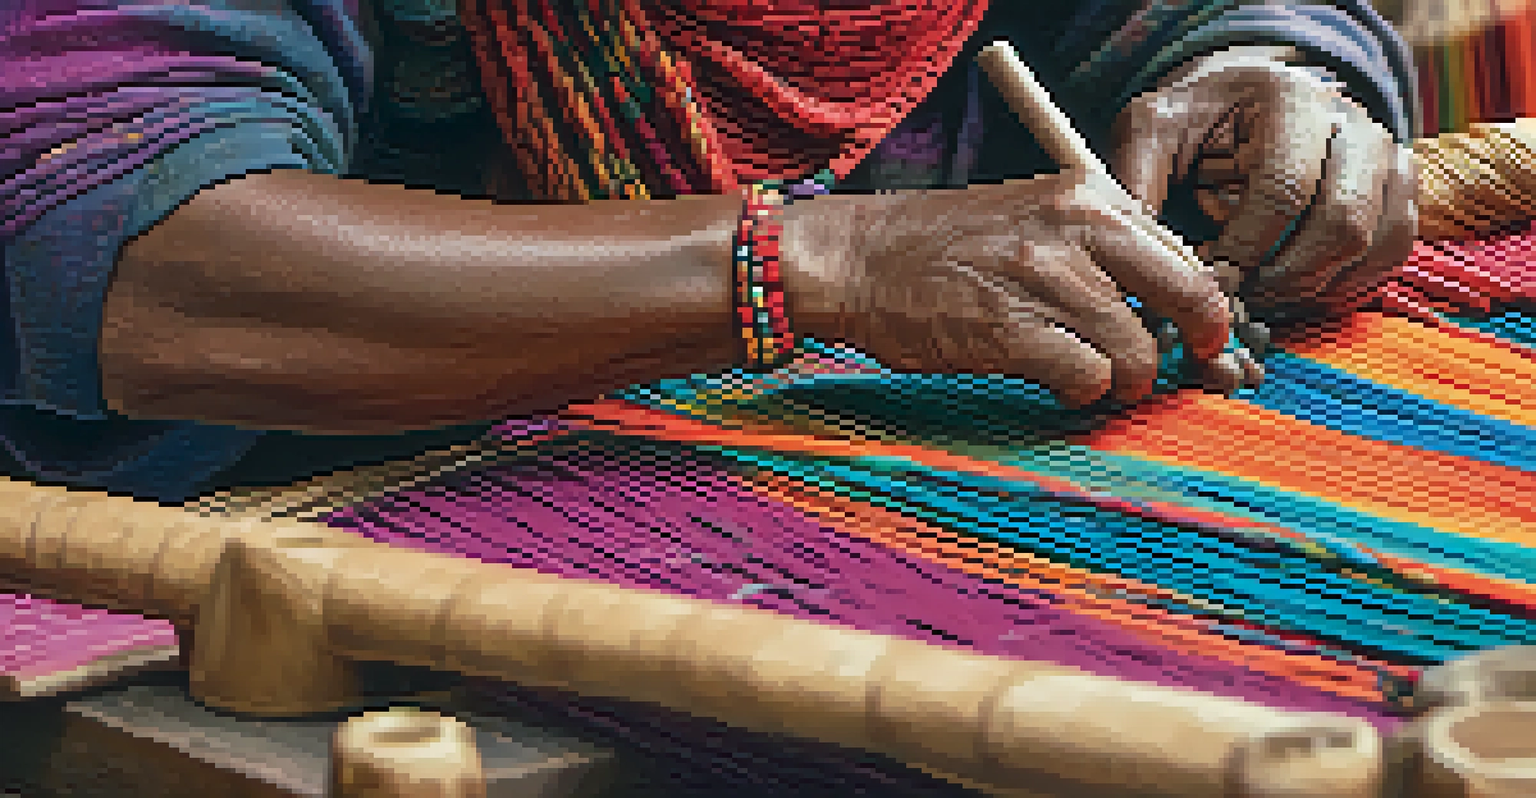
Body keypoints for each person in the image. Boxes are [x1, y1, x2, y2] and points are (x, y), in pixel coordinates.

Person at [0, 0, 1417, 503]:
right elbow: (139, 256)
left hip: (902, 496)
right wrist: (819, 268)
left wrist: (1276, 78)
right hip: (325, 542)